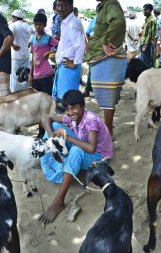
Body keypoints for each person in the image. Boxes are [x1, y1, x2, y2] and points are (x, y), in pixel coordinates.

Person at [39, 89, 113, 224]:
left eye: (74, 108)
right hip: (83, 144)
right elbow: (47, 119)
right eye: (67, 108)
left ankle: (59, 200)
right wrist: (51, 135)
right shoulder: (72, 117)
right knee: (54, 125)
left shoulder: (90, 120)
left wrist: (66, 137)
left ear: (82, 107)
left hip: (100, 156)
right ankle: (54, 160)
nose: (70, 112)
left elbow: (91, 148)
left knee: (76, 151)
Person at [84, 0, 126, 136]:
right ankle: (109, 130)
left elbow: (118, 21)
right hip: (102, 57)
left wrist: (106, 41)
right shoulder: (104, 5)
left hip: (105, 58)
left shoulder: (110, 4)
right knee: (109, 99)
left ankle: (108, 133)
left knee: (108, 99)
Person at [52, 0, 86, 106]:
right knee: (64, 101)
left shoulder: (73, 23)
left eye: (63, 5)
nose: (60, 9)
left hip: (69, 69)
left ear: (71, 6)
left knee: (70, 103)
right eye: (58, 5)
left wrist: (75, 63)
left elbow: (80, 45)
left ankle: (74, 123)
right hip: (64, 67)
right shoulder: (66, 22)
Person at [28, 13, 58, 95]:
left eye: (40, 24)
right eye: (36, 24)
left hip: (46, 75)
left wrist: (50, 52)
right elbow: (33, 58)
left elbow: (61, 47)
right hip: (35, 76)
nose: (37, 26)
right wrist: (30, 75)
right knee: (37, 101)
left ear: (44, 25)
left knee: (47, 99)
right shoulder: (33, 39)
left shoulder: (48, 38)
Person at [9, 9, 35, 93]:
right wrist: (30, 42)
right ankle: (25, 91)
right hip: (26, 55)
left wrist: (12, 45)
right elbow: (36, 34)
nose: (12, 19)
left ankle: (15, 92)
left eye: (12, 17)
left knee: (15, 75)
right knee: (25, 73)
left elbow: (7, 37)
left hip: (16, 55)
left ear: (15, 17)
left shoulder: (13, 26)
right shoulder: (28, 26)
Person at [83, 16, 97, 98]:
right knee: (92, 67)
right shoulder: (93, 21)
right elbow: (87, 32)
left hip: (105, 48)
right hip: (94, 48)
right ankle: (88, 89)